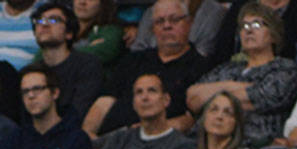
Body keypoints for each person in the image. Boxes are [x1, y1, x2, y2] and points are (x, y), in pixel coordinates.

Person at [85, 1, 210, 137]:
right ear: (152, 29)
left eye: (174, 20)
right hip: (109, 140)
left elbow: (189, 121)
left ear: (189, 23)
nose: (167, 26)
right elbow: (104, 102)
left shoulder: (203, 68)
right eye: (159, 21)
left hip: (158, 145)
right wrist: (88, 134)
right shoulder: (133, 59)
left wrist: (150, 130)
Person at [187, 4, 297, 148]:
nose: (249, 31)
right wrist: (231, 86)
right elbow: (193, 98)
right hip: (202, 144)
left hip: (252, 146)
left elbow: (262, 97)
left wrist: (213, 98)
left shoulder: (285, 69)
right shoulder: (227, 68)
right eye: (244, 26)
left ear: (273, 34)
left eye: (256, 25)